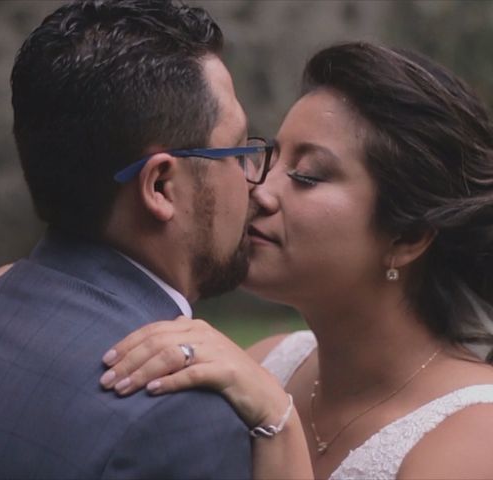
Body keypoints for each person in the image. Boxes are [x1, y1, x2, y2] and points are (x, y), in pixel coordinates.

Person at [0, 1, 298, 478]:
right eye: (236, 150)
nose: (257, 183)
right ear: (161, 187)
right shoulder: (179, 414)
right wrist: (282, 425)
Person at [89, 42, 493, 478]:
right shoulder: (266, 362)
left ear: (409, 236)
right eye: (272, 158)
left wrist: (278, 431)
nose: (258, 192)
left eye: (308, 175)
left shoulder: (475, 435)